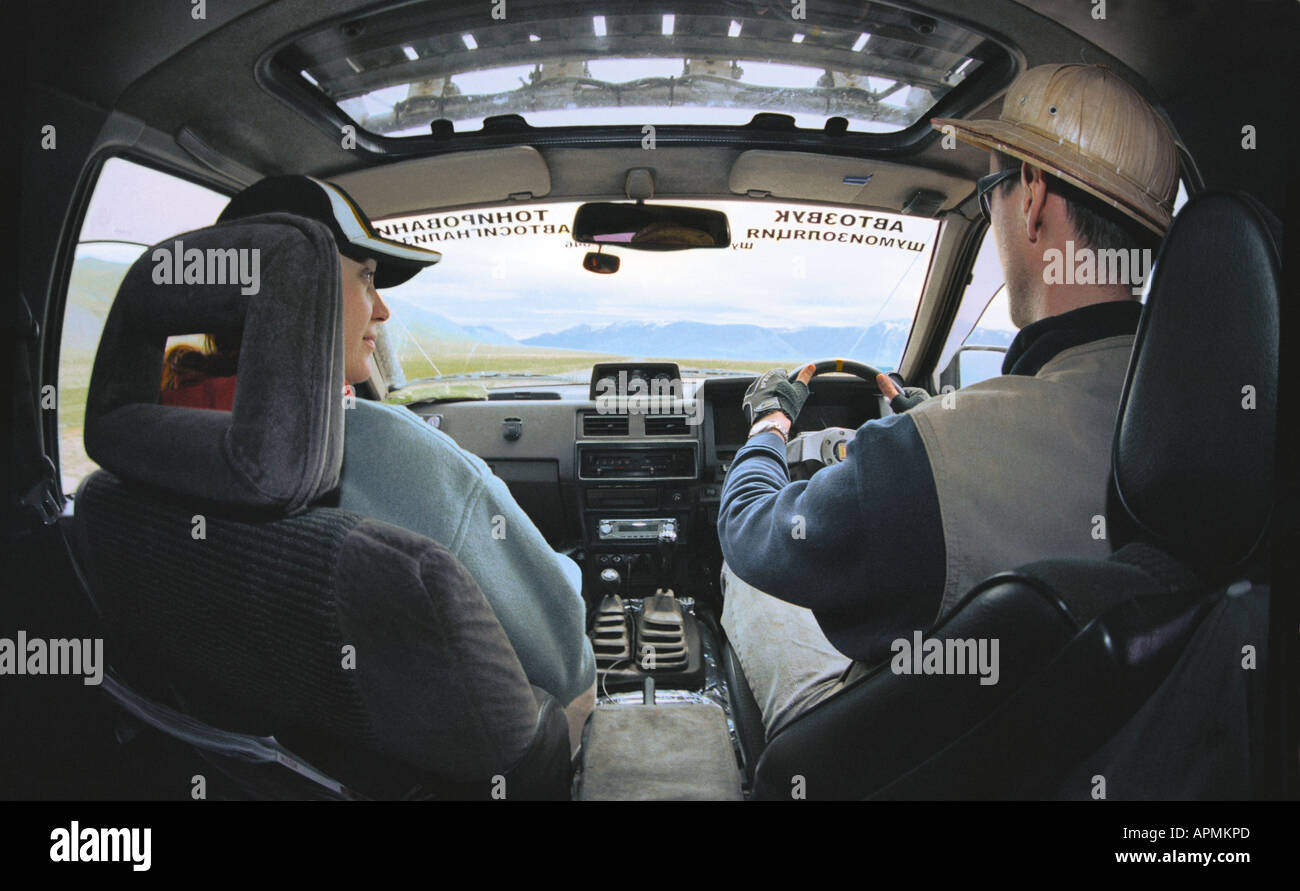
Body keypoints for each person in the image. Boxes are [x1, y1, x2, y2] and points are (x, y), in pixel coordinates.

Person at [716, 63, 1179, 739]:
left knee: (754, 582)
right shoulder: (1197, 426)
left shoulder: (936, 456)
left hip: (900, 751)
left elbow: (751, 527)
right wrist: (920, 417)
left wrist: (770, 425)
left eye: (991, 192)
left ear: (1032, 198)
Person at [161, 175, 596, 754]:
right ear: (300, 290)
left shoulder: (146, 443)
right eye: (367, 277)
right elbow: (561, 653)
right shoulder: (390, 451)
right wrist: (564, 573)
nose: (384, 308)